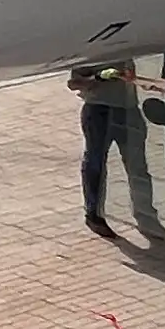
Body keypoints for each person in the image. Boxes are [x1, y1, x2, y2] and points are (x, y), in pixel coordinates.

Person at [71, 56, 146, 237]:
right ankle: (94, 214)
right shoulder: (93, 49)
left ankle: (144, 212)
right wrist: (99, 77)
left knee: (138, 165)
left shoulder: (130, 45)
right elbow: (74, 84)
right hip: (99, 110)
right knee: (96, 162)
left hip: (129, 110)